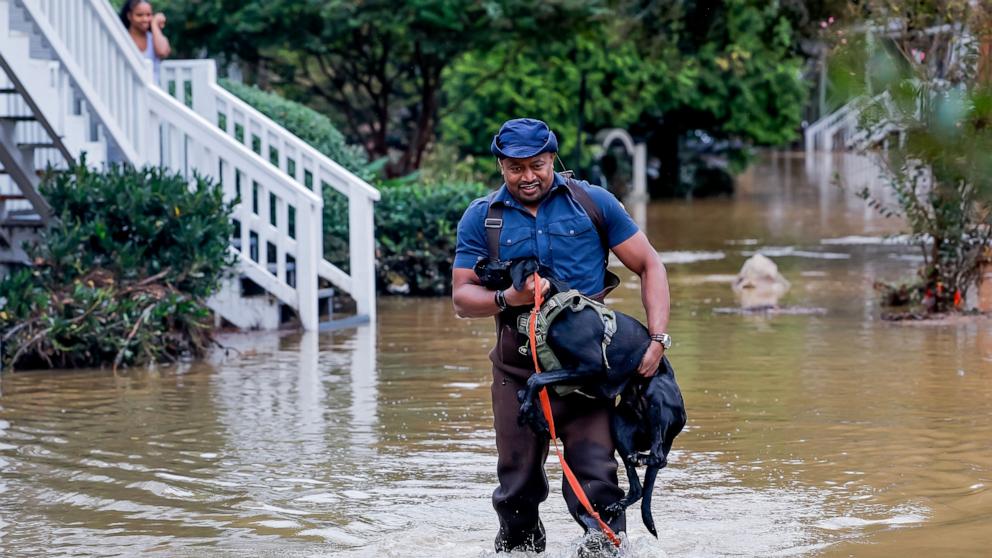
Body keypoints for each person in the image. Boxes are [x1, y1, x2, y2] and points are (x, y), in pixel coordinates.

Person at [452, 118, 672, 554]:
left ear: (552, 158)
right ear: (500, 166)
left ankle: (606, 547)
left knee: (598, 483)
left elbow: (650, 265)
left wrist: (657, 339)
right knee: (517, 488)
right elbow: (462, 297)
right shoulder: (483, 219)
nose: (527, 176)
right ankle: (520, 546)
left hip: (588, 372)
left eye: (537, 165)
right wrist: (509, 297)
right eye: (516, 168)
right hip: (517, 372)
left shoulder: (594, 203)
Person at [119, 0, 171, 83]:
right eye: (139, 15)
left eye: (148, 15)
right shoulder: (122, 37)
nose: (145, 19)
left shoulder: (154, 38)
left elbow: (162, 52)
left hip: (152, 92)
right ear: (129, 16)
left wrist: (154, 24)